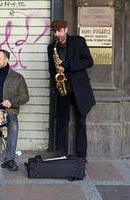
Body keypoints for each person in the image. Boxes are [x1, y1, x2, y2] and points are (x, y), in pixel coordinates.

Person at [47, 19, 95, 161]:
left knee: (81, 122)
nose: (57, 34)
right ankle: (60, 154)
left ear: (66, 30)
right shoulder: (52, 48)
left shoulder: (78, 41)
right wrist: (56, 80)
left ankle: (81, 155)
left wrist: (67, 66)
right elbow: (51, 69)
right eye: (54, 31)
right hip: (63, 90)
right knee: (61, 122)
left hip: (79, 89)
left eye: (59, 31)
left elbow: (89, 61)